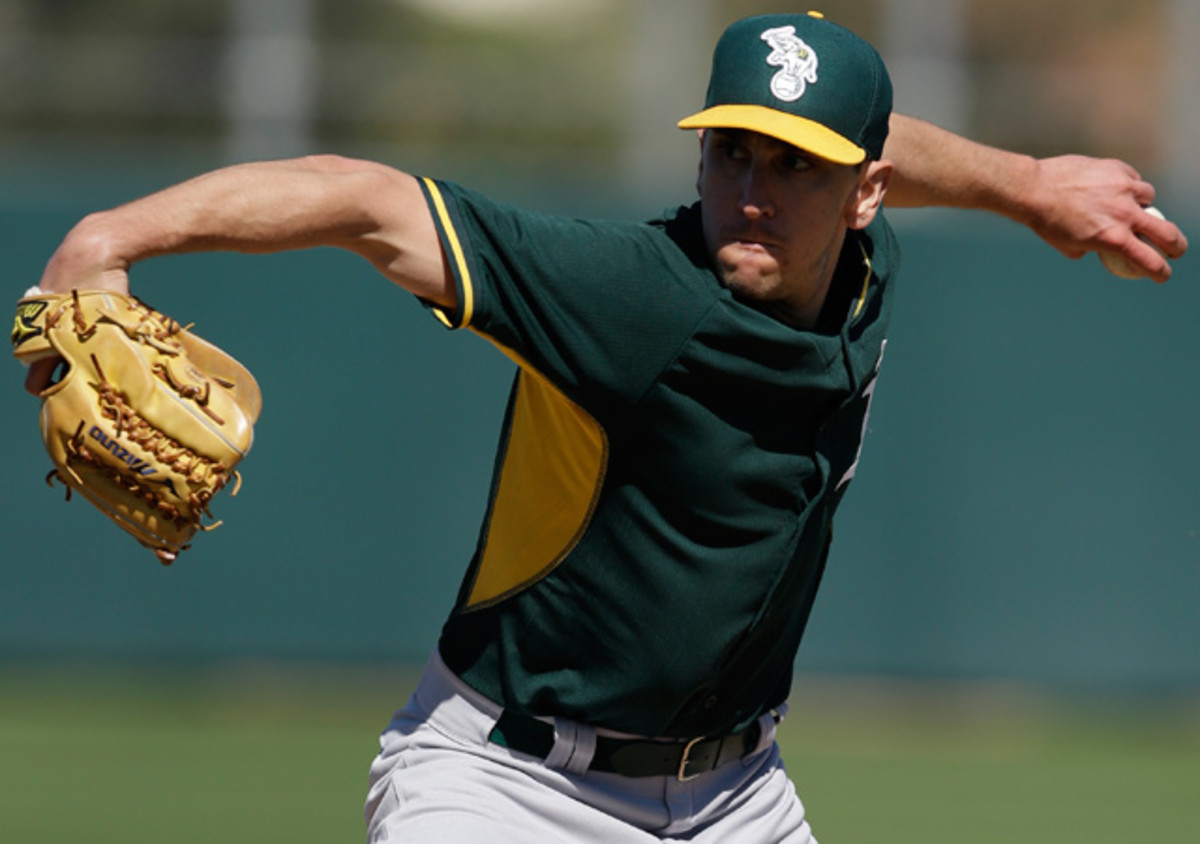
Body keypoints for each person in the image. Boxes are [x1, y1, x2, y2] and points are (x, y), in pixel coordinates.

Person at [20, 12, 1187, 844]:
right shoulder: (626, 292)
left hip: (737, 798)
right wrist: (108, 236)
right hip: (506, 785)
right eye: (731, 151)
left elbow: (887, 139)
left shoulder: (866, 263)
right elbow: (362, 198)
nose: (753, 190)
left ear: (865, 194)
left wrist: (1029, 184)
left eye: (795, 164)